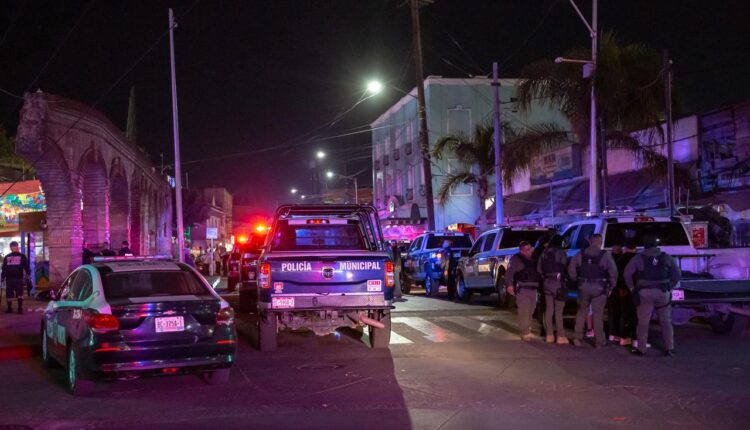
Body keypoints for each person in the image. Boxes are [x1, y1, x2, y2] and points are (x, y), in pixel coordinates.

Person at [624, 234, 681, 356]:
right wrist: (670, 286)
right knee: (666, 321)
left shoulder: (638, 258)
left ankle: (641, 349)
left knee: (643, 322)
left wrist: (632, 288)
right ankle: (669, 348)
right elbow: (677, 274)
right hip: (662, 292)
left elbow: (627, 274)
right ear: (657, 245)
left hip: (644, 293)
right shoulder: (666, 257)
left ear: (644, 245)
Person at [568, 234, 617, 347]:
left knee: (581, 312)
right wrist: (611, 286)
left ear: (590, 242)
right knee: (598, 315)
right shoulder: (605, 255)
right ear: (600, 242)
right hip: (599, 287)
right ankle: (599, 341)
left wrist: (576, 280)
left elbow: (571, 268)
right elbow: (613, 272)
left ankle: (577, 338)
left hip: (583, 286)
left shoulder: (580, 253)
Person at [505, 241, 541, 341]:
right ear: (522, 250)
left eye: (531, 248)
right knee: (524, 311)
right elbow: (509, 273)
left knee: (531, 311)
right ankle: (525, 332)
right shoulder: (516, 259)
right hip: (523, 289)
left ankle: (527, 330)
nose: (530, 251)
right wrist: (509, 285)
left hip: (533, 289)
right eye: (527, 249)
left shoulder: (533, 259)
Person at [537, 234, 569, 344]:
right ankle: (560, 336)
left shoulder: (544, 253)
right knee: (559, 311)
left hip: (546, 282)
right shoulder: (560, 252)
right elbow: (566, 265)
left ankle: (549, 335)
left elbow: (539, 269)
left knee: (549, 309)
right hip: (558, 282)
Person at [608, 240, 638, 346]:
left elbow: (615, 274)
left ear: (625, 248)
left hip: (621, 289)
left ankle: (620, 336)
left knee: (621, 312)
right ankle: (632, 337)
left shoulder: (619, 259)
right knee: (634, 314)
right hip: (635, 289)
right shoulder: (638, 258)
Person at [2, 241, 30, 314]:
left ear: (17, 247)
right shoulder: (8, 257)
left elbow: (26, 266)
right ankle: (11, 308)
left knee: (18, 294)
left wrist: (28, 274)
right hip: (11, 278)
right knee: (10, 294)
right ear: (11, 248)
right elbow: (4, 268)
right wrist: (2, 277)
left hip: (17, 278)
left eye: (15, 246)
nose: (15, 247)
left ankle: (18, 308)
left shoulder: (21, 256)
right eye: (13, 246)